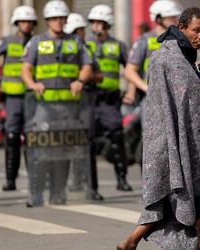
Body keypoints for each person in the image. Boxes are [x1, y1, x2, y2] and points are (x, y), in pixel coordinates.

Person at [105, 7, 200, 250]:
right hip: (175, 142)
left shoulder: (184, 54)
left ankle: (129, 245)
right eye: (196, 30)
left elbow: (197, 98)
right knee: (194, 195)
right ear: (181, 26)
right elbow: (195, 95)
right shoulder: (168, 58)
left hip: (190, 141)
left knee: (183, 198)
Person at [21, 0, 93, 206]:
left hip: (69, 107)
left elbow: (86, 65)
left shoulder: (76, 42)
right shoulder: (36, 42)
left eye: (62, 18)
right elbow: (25, 68)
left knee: (64, 152)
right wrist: (32, 83)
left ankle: (58, 193)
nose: (59, 22)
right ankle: (35, 194)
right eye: (54, 19)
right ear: (47, 21)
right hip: (43, 107)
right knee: (40, 151)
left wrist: (80, 80)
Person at [0, 5, 37, 191]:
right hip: (13, 97)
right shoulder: (7, 41)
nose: (26, 25)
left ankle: (34, 181)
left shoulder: (38, 42)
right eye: (23, 21)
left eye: (29, 22)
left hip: (32, 97)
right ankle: (10, 180)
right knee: (12, 136)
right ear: (17, 22)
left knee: (32, 138)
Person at [85, 4, 132, 199]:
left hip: (110, 100)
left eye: (100, 22)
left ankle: (121, 178)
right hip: (89, 99)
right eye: (94, 22)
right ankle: (90, 186)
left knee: (116, 137)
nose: (96, 26)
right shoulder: (85, 44)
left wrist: (130, 90)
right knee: (89, 142)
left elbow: (130, 68)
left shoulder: (118, 45)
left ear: (108, 24)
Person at [64, 13, 104, 194]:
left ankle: (91, 187)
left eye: (81, 30)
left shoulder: (87, 50)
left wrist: (84, 77)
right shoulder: (62, 50)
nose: (81, 34)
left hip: (85, 100)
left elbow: (100, 75)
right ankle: (65, 183)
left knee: (87, 142)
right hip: (62, 102)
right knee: (65, 142)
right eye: (78, 31)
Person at [123, 0, 182, 113]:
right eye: (171, 17)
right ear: (158, 19)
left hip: (176, 99)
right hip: (152, 100)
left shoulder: (180, 40)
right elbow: (129, 72)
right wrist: (147, 88)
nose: (176, 20)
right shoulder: (144, 40)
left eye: (176, 16)